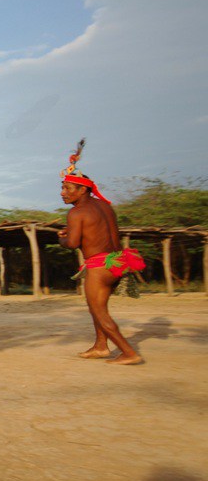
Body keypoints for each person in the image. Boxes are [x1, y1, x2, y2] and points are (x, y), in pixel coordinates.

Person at [57, 140, 145, 365]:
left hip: (100, 267)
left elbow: (73, 243)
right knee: (97, 307)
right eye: (62, 187)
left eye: (67, 188)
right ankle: (100, 346)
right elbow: (99, 233)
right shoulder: (105, 206)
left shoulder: (77, 213)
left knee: (98, 311)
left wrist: (62, 239)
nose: (62, 193)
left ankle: (128, 352)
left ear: (83, 189)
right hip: (118, 262)